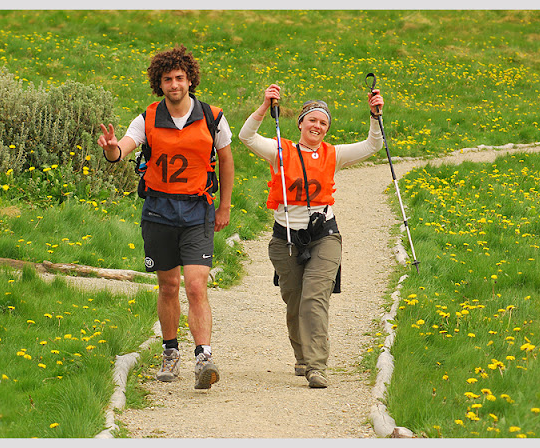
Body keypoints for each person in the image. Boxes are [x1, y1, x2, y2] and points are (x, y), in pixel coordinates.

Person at [97, 45, 234, 390]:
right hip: (159, 211)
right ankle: (170, 351)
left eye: (180, 78)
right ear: (159, 84)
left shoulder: (212, 116)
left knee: (196, 285)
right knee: (169, 286)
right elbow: (122, 149)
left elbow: (227, 160)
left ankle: (203, 357)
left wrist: (225, 206)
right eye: (168, 79)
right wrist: (112, 149)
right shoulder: (147, 118)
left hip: (198, 210)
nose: (174, 84)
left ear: (190, 80)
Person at [238, 84, 384, 388]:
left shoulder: (334, 154)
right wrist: (264, 106)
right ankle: (303, 358)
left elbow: (373, 145)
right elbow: (246, 136)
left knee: (314, 298)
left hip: (324, 236)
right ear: (301, 123)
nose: (317, 126)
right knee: (294, 302)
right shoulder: (280, 150)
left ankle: (317, 367)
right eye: (312, 120)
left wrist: (375, 116)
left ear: (327, 129)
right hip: (286, 240)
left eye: (323, 123)